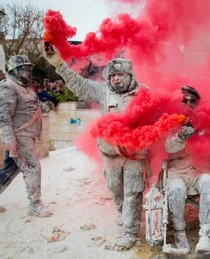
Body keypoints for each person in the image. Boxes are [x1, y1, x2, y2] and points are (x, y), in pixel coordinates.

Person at [43, 44, 148, 249]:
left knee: (133, 191)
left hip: (135, 154)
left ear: (129, 74)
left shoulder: (144, 92)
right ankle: (122, 211)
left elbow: (153, 121)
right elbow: (79, 84)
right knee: (115, 188)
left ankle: (130, 231)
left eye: (120, 75)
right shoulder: (103, 91)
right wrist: (57, 63)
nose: (115, 79)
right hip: (110, 153)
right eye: (112, 75)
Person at [162, 86, 210, 255]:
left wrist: (200, 137)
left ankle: (205, 234)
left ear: (197, 103)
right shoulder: (170, 122)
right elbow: (167, 147)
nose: (188, 104)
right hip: (177, 170)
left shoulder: (205, 121)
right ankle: (180, 233)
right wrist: (180, 137)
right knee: (176, 189)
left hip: (199, 168)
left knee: (209, 183)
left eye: (192, 101)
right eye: (184, 100)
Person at [0, 55, 53, 217]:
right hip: (19, 136)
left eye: (29, 68)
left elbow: (31, 106)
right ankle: (34, 204)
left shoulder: (25, 87)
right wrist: (9, 139)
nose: (28, 71)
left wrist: (45, 106)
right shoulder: (8, 87)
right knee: (33, 167)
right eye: (24, 68)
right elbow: (3, 116)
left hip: (27, 135)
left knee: (9, 170)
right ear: (14, 70)